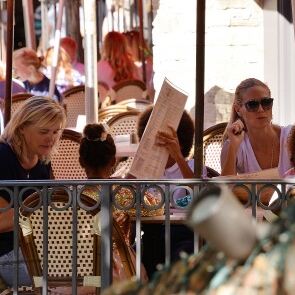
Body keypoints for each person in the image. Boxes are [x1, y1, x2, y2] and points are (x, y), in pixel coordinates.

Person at [78, 123, 164, 282]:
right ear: (113, 162)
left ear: (81, 162)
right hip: (115, 271)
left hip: (75, 271)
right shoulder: (122, 193)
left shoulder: (68, 195)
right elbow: (157, 209)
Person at [133, 105, 207, 277]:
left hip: (184, 232)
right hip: (152, 232)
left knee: (181, 260)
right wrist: (140, 158)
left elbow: (199, 192)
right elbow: (125, 194)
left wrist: (178, 156)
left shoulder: (192, 167)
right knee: (135, 256)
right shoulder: (145, 170)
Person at [0, 96, 66, 286]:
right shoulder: (3, 157)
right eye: (43, 131)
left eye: (55, 131)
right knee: (69, 279)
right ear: (21, 128)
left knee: (101, 267)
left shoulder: (43, 160)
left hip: (42, 247)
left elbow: (53, 204)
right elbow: (2, 221)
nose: (51, 138)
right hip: (8, 252)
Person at [221, 78, 292, 178]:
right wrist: (233, 147)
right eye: (252, 105)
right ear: (238, 110)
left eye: (266, 102)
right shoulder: (234, 145)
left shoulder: (291, 136)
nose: (261, 109)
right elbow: (225, 189)